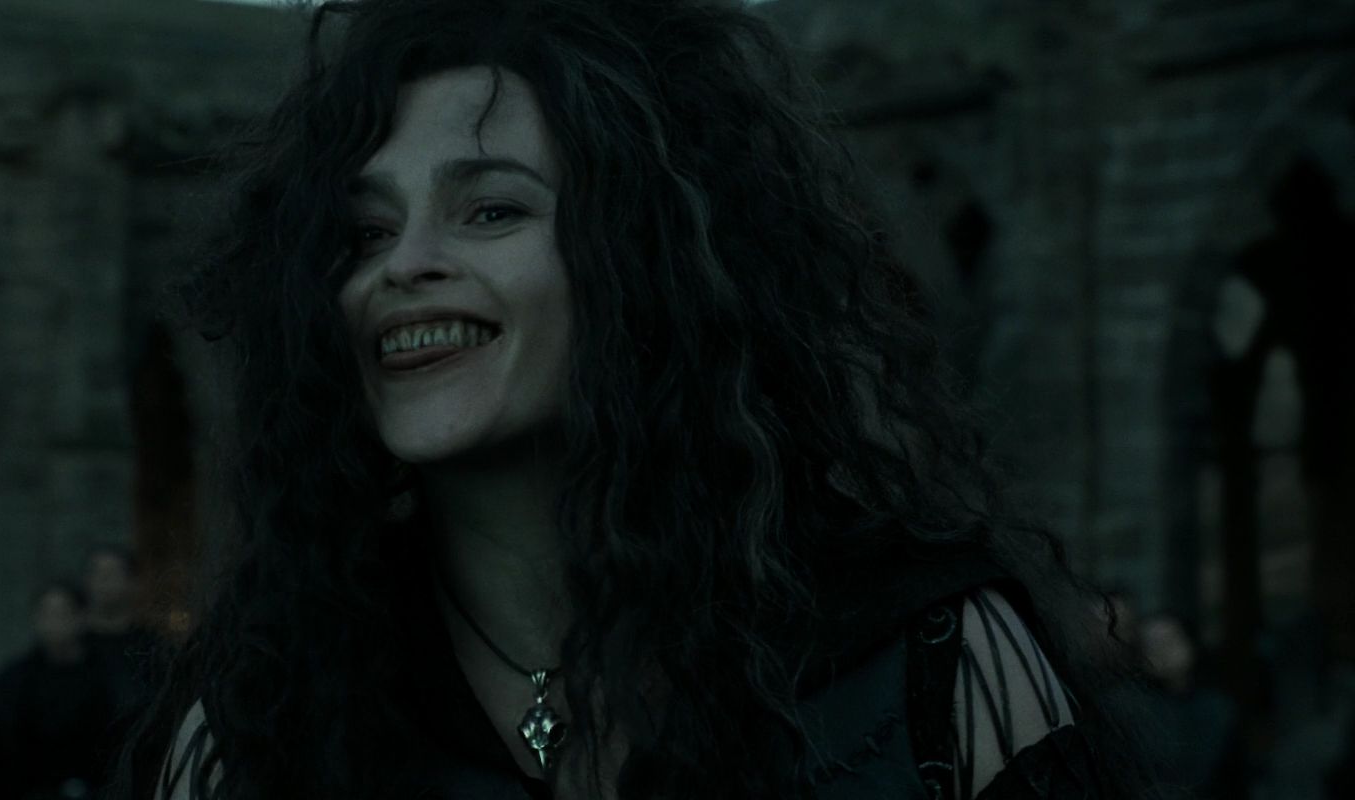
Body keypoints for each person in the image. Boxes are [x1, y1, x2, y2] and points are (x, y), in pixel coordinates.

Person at [118, 1, 1153, 798]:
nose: (406, 264)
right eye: (366, 232)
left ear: (644, 262)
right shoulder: (261, 725)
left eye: (491, 210)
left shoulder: (931, 668)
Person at [0, 583, 116, 800]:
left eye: (62, 613)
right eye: (46, 614)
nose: (54, 622)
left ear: (81, 617)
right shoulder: (16, 678)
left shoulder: (105, 676)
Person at [1134, 615, 1244, 799]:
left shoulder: (1218, 707)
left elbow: (1233, 776)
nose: (1162, 651)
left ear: (1189, 643)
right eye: (1152, 645)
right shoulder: (1129, 709)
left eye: (1169, 641)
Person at [83, 545, 162, 778]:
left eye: (112, 574)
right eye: (98, 574)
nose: (104, 583)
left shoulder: (153, 648)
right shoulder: (72, 648)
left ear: (133, 583)